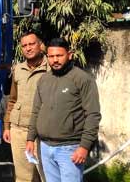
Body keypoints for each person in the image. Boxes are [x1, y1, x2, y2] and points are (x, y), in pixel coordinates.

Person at [26, 38, 101, 182]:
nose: (55, 60)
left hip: (69, 149)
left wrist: (84, 146)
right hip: (46, 147)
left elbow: (93, 115)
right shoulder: (44, 80)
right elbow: (36, 111)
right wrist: (30, 138)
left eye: (59, 56)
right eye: (51, 56)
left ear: (70, 55)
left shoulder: (82, 79)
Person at [3, 31, 48, 182]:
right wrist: (7, 126)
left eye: (31, 44)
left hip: (42, 132)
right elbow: (12, 100)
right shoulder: (18, 69)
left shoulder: (51, 69)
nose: (28, 48)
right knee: (23, 177)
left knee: (46, 175)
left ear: (40, 45)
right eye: (24, 46)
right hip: (19, 130)